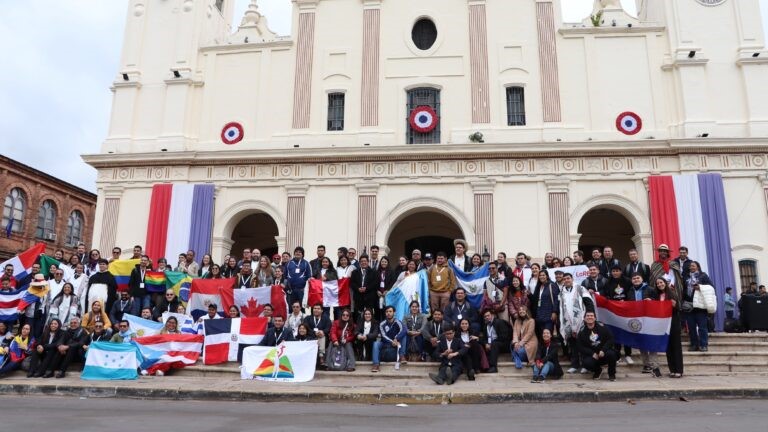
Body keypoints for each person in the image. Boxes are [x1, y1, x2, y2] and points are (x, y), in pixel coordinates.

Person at [647, 277, 683, 378]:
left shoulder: (672, 293)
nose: (659, 285)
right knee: (668, 347)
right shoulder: (657, 295)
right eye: (657, 283)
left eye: (661, 282)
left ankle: (679, 370)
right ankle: (672, 370)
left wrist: (675, 306)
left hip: (674, 323)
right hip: (663, 324)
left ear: (665, 283)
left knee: (676, 347)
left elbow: (678, 308)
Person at [603, 265, 636, 364]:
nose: (615, 273)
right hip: (614, 311)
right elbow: (605, 295)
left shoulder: (627, 281)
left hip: (626, 310)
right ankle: (617, 355)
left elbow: (631, 293)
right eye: (613, 271)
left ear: (621, 271)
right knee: (615, 333)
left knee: (626, 332)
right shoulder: (608, 282)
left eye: (617, 271)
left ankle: (628, 355)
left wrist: (625, 301)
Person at [578, 311, 617, 381]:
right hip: (593, 356)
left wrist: (603, 350)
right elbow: (580, 347)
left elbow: (611, 339)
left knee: (612, 354)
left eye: (592, 316)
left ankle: (611, 374)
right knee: (586, 363)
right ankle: (598, 370)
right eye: (588, 316)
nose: (590, 317)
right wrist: (592, 353)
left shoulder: (602, 327)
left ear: (595, 318)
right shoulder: (581, 331)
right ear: (584, 318)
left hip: (604, 353)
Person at [685, 261, 715, 352]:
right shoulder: (686, 277)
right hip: (689, 305)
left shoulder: (703, 275)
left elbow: (711, 287)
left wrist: (700, 287)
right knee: (691, 327)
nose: (691, 267)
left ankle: (703, 345)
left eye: (693, 266)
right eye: (690, 266)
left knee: (702, 327)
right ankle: (694, 345)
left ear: (698, 266)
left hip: (700, 306)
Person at [371, 306, 406, 372]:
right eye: (387, 312)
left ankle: (402, 356)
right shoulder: (382, 324)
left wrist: (396, 338)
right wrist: (392, 341)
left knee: (404, 336)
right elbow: (383, 336)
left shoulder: (398, 322)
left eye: (390, 311)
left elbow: (404, 330)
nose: (388, 313)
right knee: (376, 343)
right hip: (385, 343)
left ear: (394, 313)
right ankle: (376, 365)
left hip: (396, 345)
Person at [531, 270, 559, 340]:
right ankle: (544, 350)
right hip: (539, 315)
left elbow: (556, 299)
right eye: (540, 275)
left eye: (543, 275)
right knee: (542, 336)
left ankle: (551, 350)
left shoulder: (552, 285)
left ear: (547, 276)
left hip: (549, 315)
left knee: (548, 335)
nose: (541, 277)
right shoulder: (539, 286)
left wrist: (554, 312)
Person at [481, 309, 510, 373]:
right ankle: (484, 366)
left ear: (492, 315)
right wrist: (486, 343)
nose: (486, 317)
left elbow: (504, 336)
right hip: (492, 344)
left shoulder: (499, 322)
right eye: (485, 316)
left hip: (503, 344)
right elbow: (484, 338)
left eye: (488, 315)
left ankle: (493, 367)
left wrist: (491, 343)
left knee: (494, 344)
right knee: (480, 345)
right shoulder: (485, 326)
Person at [351, 255, 378, 321]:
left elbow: (375, 283)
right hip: (358, 296)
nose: (363, 262)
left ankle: (369, 328)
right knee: (358, 314)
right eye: (362, 261)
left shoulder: (373, 272)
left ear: (368, 262)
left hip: (369, 296)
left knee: (369, 313)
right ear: (360, 262)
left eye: (365, 261)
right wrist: (358, 288)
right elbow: (352, 283)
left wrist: (366, 288)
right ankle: (358, 328)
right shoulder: (355, 272)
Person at [511, 306, 537, 370]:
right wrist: (516, 342)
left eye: (523, 309)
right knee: (511, 343)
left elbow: (529, 334)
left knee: (518, 351)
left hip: (529, 343)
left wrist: (520, 344)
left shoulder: (531, 321)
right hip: (519, 343)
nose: (521, 311)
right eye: (520, 310)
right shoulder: (517, 321)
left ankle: (515, 358)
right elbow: (515, 333)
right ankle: (518, 361)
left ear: (526, 311)